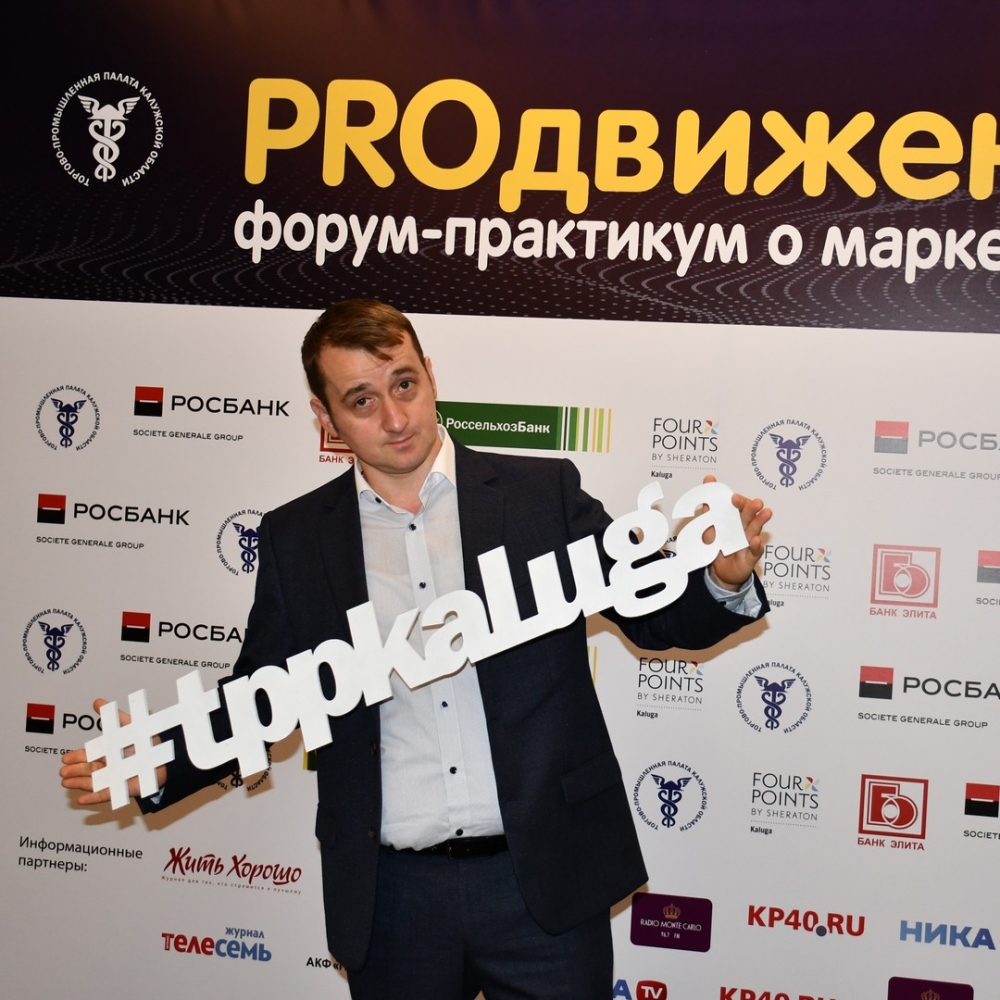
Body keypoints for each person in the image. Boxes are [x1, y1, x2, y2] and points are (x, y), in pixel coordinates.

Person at [62, 299, 772, 1000]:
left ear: (430, 374)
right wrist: (164, 757)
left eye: (404, 384)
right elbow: (264, 696)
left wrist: (722, 577)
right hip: (392, 900)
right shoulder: (296, 537)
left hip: (544, 882)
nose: (395, 418)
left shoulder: (540, 494)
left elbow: (653, 613)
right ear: (325, 417)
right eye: (361, 400)